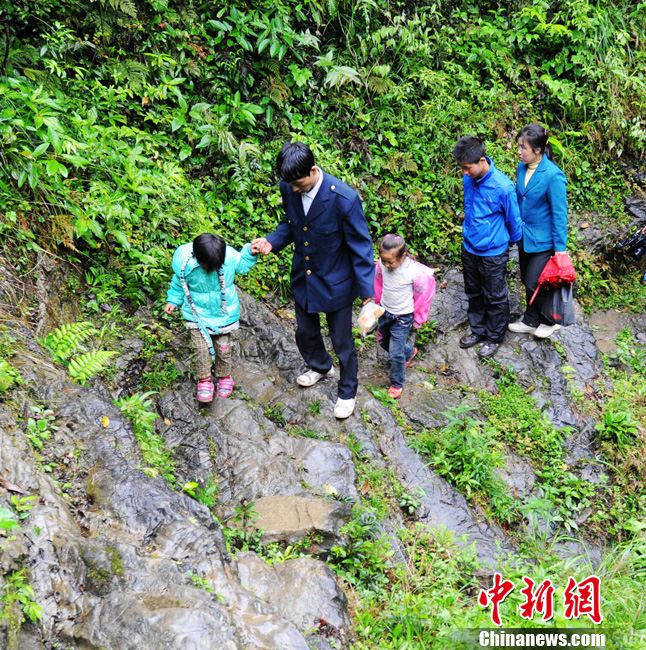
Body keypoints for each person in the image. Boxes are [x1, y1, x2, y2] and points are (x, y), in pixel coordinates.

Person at [251, 142, 374, 419]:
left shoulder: (344, 199)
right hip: (305, 277)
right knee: (305, 332)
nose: (294, 189)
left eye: (298, 183)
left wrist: (367, 292)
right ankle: (319, 366)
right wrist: (272, 242)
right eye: (290, 184)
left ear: (314, 170)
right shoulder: (290, 187)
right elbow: (291, 225)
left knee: (342, 342)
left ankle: (347, 391)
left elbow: (361, 246)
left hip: (337, 281)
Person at [165, 233, 257, 402]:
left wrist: (250, 252)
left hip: (223, 313)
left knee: (223, 347)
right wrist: (173, 300)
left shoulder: (228, 257)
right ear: (197, 258)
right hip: (196, 314)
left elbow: (242, 264)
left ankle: (224, 376)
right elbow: (178, 282)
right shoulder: (185, 264)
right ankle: (205, 380)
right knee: (200, 349)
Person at [453, 135, 523, 358]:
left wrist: (508, 243)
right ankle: (478, 330)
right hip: (470, 247)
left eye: (467, 168)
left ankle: (494, 337)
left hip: (493, 251)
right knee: (473, 291)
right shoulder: (468, 180)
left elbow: (514, 220)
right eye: (462, 168)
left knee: (495, 295)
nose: (464, 172)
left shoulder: (503, 187)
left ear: (482, 160)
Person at [508, 124, 569, 339]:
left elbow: (560, 215)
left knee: (537, 281)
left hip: (545, 240)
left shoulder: (553, 176)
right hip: (525, 237)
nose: (519, 152)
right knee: (527, 278)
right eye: (519, 147)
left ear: (538, 150)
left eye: (523, 148)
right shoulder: (521, 168)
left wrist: (560, 249)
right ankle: (530, 319)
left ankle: (549, 321)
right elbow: (519, 199)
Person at [374, 234, 436, 399]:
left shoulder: (414, 273)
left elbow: (424, 295)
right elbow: (379, 282)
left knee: (395, 353)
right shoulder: (382, 265)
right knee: (383, 341)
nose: (387, 264)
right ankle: (409, 352)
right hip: (385, 312)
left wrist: (419, 318)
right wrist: (376, 302)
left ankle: (397, 383)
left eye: (390, 262)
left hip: (403, 317)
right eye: (384, 260)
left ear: (402, 256)